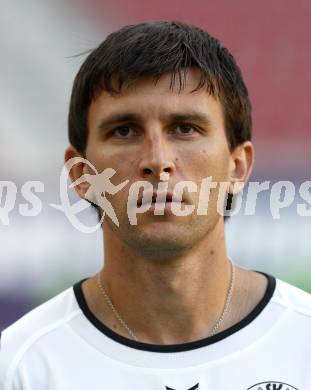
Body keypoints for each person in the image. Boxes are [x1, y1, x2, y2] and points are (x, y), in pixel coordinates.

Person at [1, 21, 310, 390]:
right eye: (125, 130)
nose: (158, 160)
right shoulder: (19, 367)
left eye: (185, 128)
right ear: (82, 175)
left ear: (237, 166)